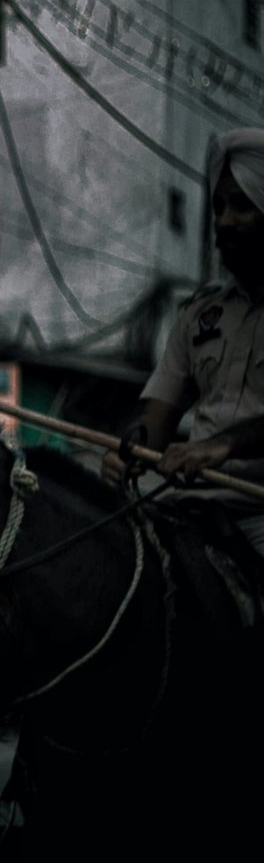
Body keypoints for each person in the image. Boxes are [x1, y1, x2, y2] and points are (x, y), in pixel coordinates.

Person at [101, 128, 264, 557]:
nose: (224, 220)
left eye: (242, 206)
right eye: (219, 206)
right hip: (192, 508)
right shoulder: (199, 315)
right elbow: (154, 419)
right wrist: (129, 450)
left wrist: (221, 445)